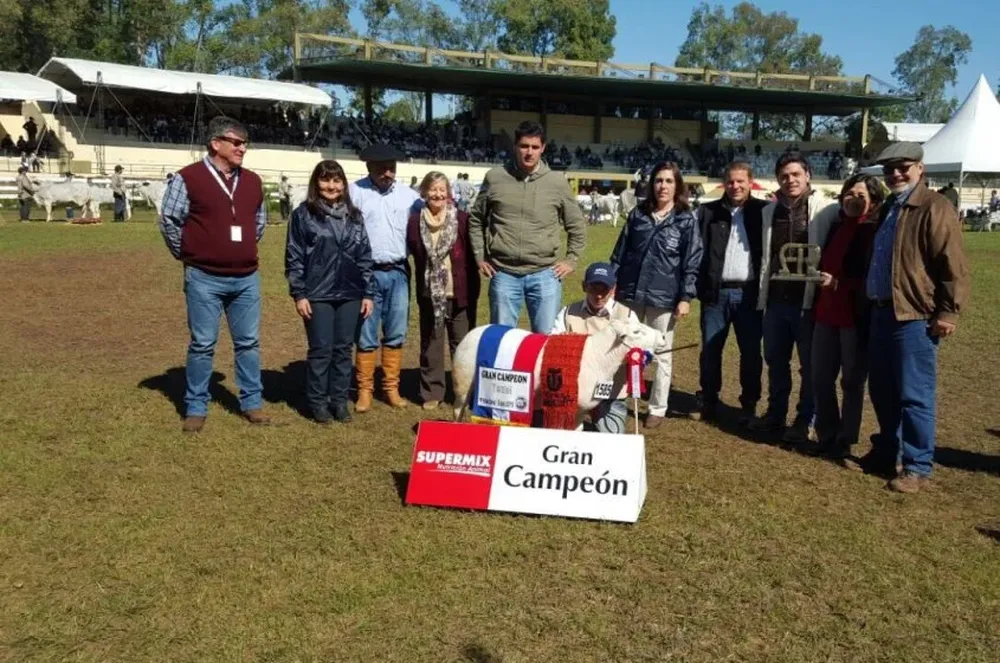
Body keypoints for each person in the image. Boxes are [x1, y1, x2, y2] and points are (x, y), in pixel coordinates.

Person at [859, 142, 970, 493]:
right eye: (889, 169)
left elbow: (952, 264)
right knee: (882, 391)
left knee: (914, 394)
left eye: (903, 167)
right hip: (881, 312)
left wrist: (948, 311)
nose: (895, 174)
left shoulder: (935, 207)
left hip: (914, 315)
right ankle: (886, 452)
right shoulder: (890, 207)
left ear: (920, 168)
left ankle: (917, 465)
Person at [158, 116, 270, 433]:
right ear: (215, 143)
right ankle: (196, 407)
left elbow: (259, 222)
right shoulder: (187, 178)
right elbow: (169, 220)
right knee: (203, 344)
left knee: (248, 343)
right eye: (236, 142)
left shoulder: (253, 181)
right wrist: (188, 254)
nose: (242, 148)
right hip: (204, 277)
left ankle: (251, 403)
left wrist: (240, 248)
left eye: (245, 143)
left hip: (246, 278)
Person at [468, 120, 586, 334]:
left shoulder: (557, 182)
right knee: (501, 340)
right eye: (524, 146)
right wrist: (479, 256)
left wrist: (571, 259)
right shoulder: (495, 178)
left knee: (545, 341)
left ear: (543, 148)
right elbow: (476, 219)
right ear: (515, 146)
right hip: (503, 273)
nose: (529, 152)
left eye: (534, 147)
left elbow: (576, 224)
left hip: (545, 275)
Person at [749, 152, 834, 443]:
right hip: (775, 299)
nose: (790, 180)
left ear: (808, 175)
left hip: (808, 303)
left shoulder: (826, 210)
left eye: (796, 174)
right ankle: (775, 414)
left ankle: (804, 419)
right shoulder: (769, 212)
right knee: (775, 360)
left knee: (809, 366)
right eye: (784, 176)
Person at [610, 161, 703, 429]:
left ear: (678, 186)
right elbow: (619, 252)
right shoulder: (638, 214)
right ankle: (615, 398)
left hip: (664, 298)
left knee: (661, 352)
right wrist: (612, 283)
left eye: (669, 181)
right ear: (652, 184)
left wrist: (685, 297)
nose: (663, 186)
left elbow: (692, 262)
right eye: (659, 180)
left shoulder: (686, 219)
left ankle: (657, 407)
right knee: (621, 346)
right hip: (629, 293)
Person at [285, 160, 374, 424]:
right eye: (325, 180)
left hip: (351, 292)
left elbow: (364, 255)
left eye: (336, 180)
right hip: (317, 293)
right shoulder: (303, 215)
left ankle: (339, 401)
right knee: (321, 349)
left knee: (343, 350)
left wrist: (368, 292)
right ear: (316, 182)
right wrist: (299, 293)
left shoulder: (354, 216)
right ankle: (317, 402)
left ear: (344, 184)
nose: (331, 186)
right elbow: (294, 256)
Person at [808, 174, 884, 460]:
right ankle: (826, 433)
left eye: (861, 195)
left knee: (851, 382)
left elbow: (872, 277)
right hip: (826, 313)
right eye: (849, 194)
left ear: (873, 200)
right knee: (820, 377)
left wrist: (839, 283)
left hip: (854, 316)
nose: (853, 199)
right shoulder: (836, 225)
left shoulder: (874, 231)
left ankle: (845, 438)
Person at [349, 143, 421, 412]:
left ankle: (391, 387)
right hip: (365, 273)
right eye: (381, 168)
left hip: (399, 271)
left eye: (391, 168)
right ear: (369, 167)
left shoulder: (410, 197)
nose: (387, 173)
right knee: (365, 333)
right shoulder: (355, 193)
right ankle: (365, 390)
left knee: (396, 331)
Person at [694, 160, 766, 424]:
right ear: (724, 183)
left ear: (750, 183)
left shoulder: (764, 211)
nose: (735, 186)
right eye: (731, 181)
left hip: (749, 295)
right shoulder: (707, 212)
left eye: (740, 181)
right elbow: (696, 252)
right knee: (711, 351)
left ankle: (749, 403)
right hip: (716, 294)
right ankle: (709, 400)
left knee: (751, 353)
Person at [406, 172, 479, 410]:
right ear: (424, 192)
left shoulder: (463, 220)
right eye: (433, 189)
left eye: (442, 189)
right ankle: (432, 392)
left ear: (449, 193)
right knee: (432, 345)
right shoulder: (414, 222)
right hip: (430, 295)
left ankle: (465, 392)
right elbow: (415, 255)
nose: (438, 194)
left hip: (460, 293)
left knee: (463, 346)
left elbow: (472, 256)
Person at [551, 262, 638, 434]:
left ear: (613, 290)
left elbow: (638, 350)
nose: (598, 295)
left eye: (604, 290)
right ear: (584, 287)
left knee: (611, 439)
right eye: (593, 288)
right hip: (572, 390)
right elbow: (552, 345)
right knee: (562, 437)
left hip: (611, 391)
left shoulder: (627, 316)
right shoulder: (568, 313)